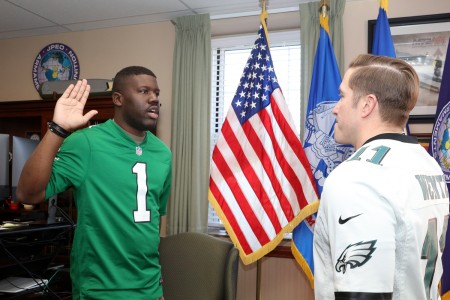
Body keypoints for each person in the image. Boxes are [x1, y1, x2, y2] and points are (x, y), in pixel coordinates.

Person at [16, 66, 172, 300]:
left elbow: (155, 216)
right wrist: (57, 130)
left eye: (157, 93)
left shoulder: (163, 153)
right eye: (144, 91)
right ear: (118, 99)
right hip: (100, 290)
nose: (154, 99)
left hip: (150, 288)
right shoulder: (86, 143)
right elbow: (28, 195)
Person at [313, 54, 449, 300]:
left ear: (367, 105)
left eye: (343, 95)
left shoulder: (357, 178)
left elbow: (363, 294)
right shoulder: (428, 164)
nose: (335, 108)